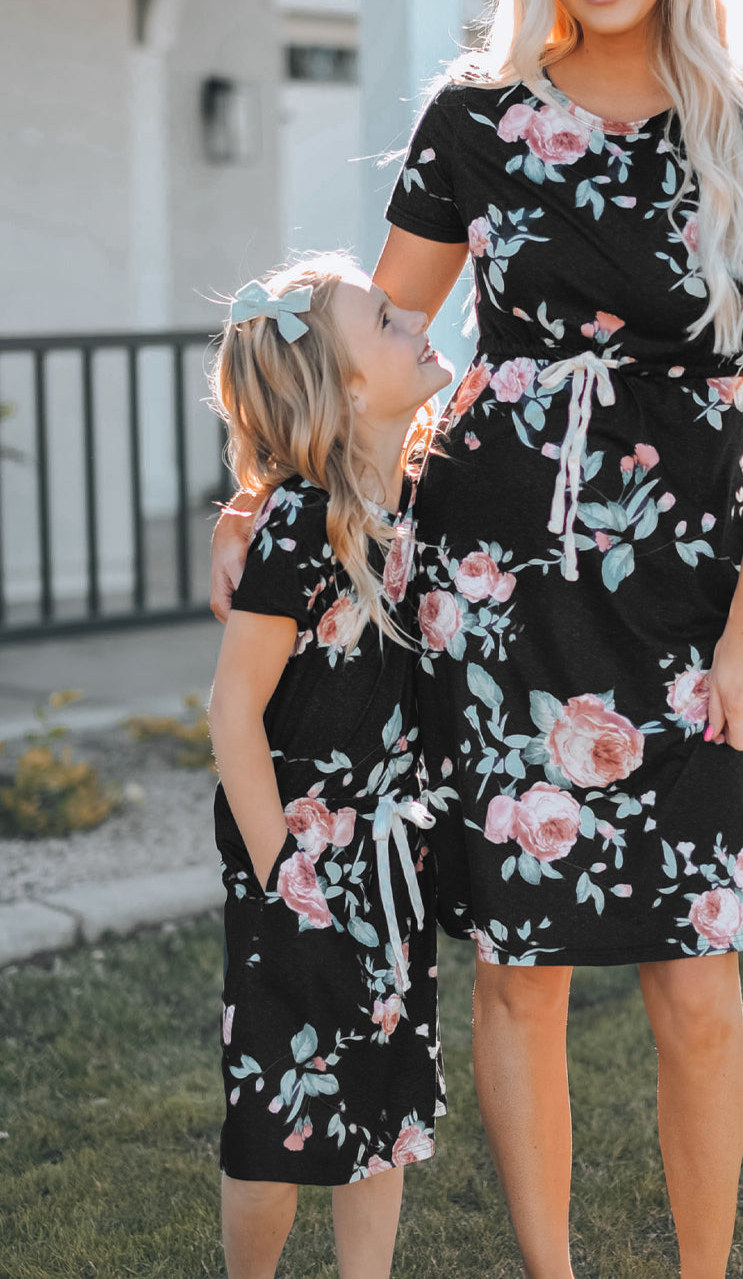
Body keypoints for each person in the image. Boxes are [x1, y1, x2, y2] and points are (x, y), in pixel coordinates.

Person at [212, 0, 743, 1277]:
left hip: (689, 597)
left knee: (695, 980)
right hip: (486, 591)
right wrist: (274, 501)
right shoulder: (477, 121)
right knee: (519, 979)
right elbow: (365, 356)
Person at [207, 253, 452, 1279]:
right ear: (349, 388)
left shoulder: (424, 504)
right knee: (279, 1110)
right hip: (297, 859)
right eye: (388, 323)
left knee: (381, 1101)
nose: (416, 323)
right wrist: (281, 877)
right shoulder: (303, 526)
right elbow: (232, 710)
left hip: (392, 859)